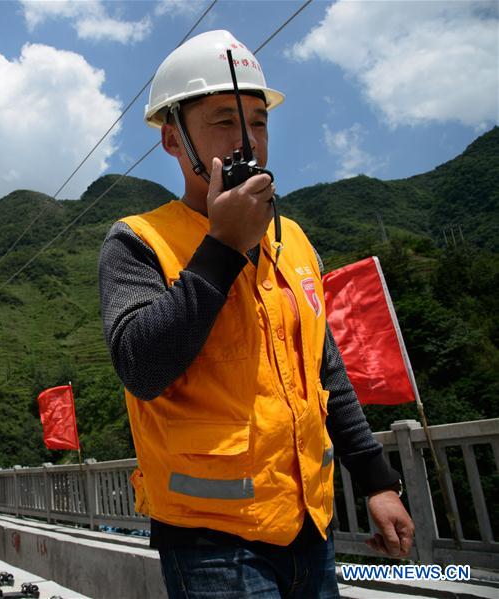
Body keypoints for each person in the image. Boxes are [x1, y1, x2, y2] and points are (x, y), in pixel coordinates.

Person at [98, 30, 414, 598]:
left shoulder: (294, 240)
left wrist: (376, 482)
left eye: (259, 122)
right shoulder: (138, 241)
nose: (247, 140)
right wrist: (221, 247)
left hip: (309, 526)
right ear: (172, 139)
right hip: (209, 540)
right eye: (223, 121)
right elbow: (142, 368)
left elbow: (324, 371)